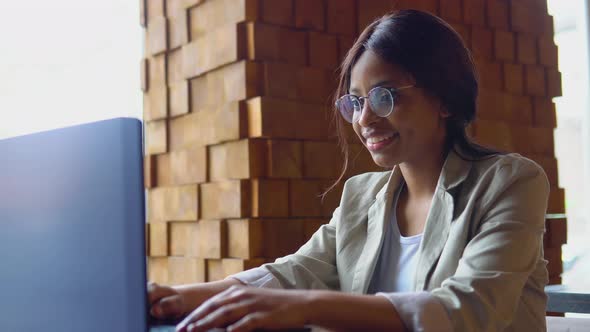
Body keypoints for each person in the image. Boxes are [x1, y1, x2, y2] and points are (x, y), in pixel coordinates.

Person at [148, 9, 550, 332]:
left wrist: (305, 308)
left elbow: (468, 310)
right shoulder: (363, 196)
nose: (364, 119)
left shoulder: (511, 182)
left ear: (444, 97)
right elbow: (294, 273)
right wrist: (176, 297)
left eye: (384, 96)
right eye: (356, 102)